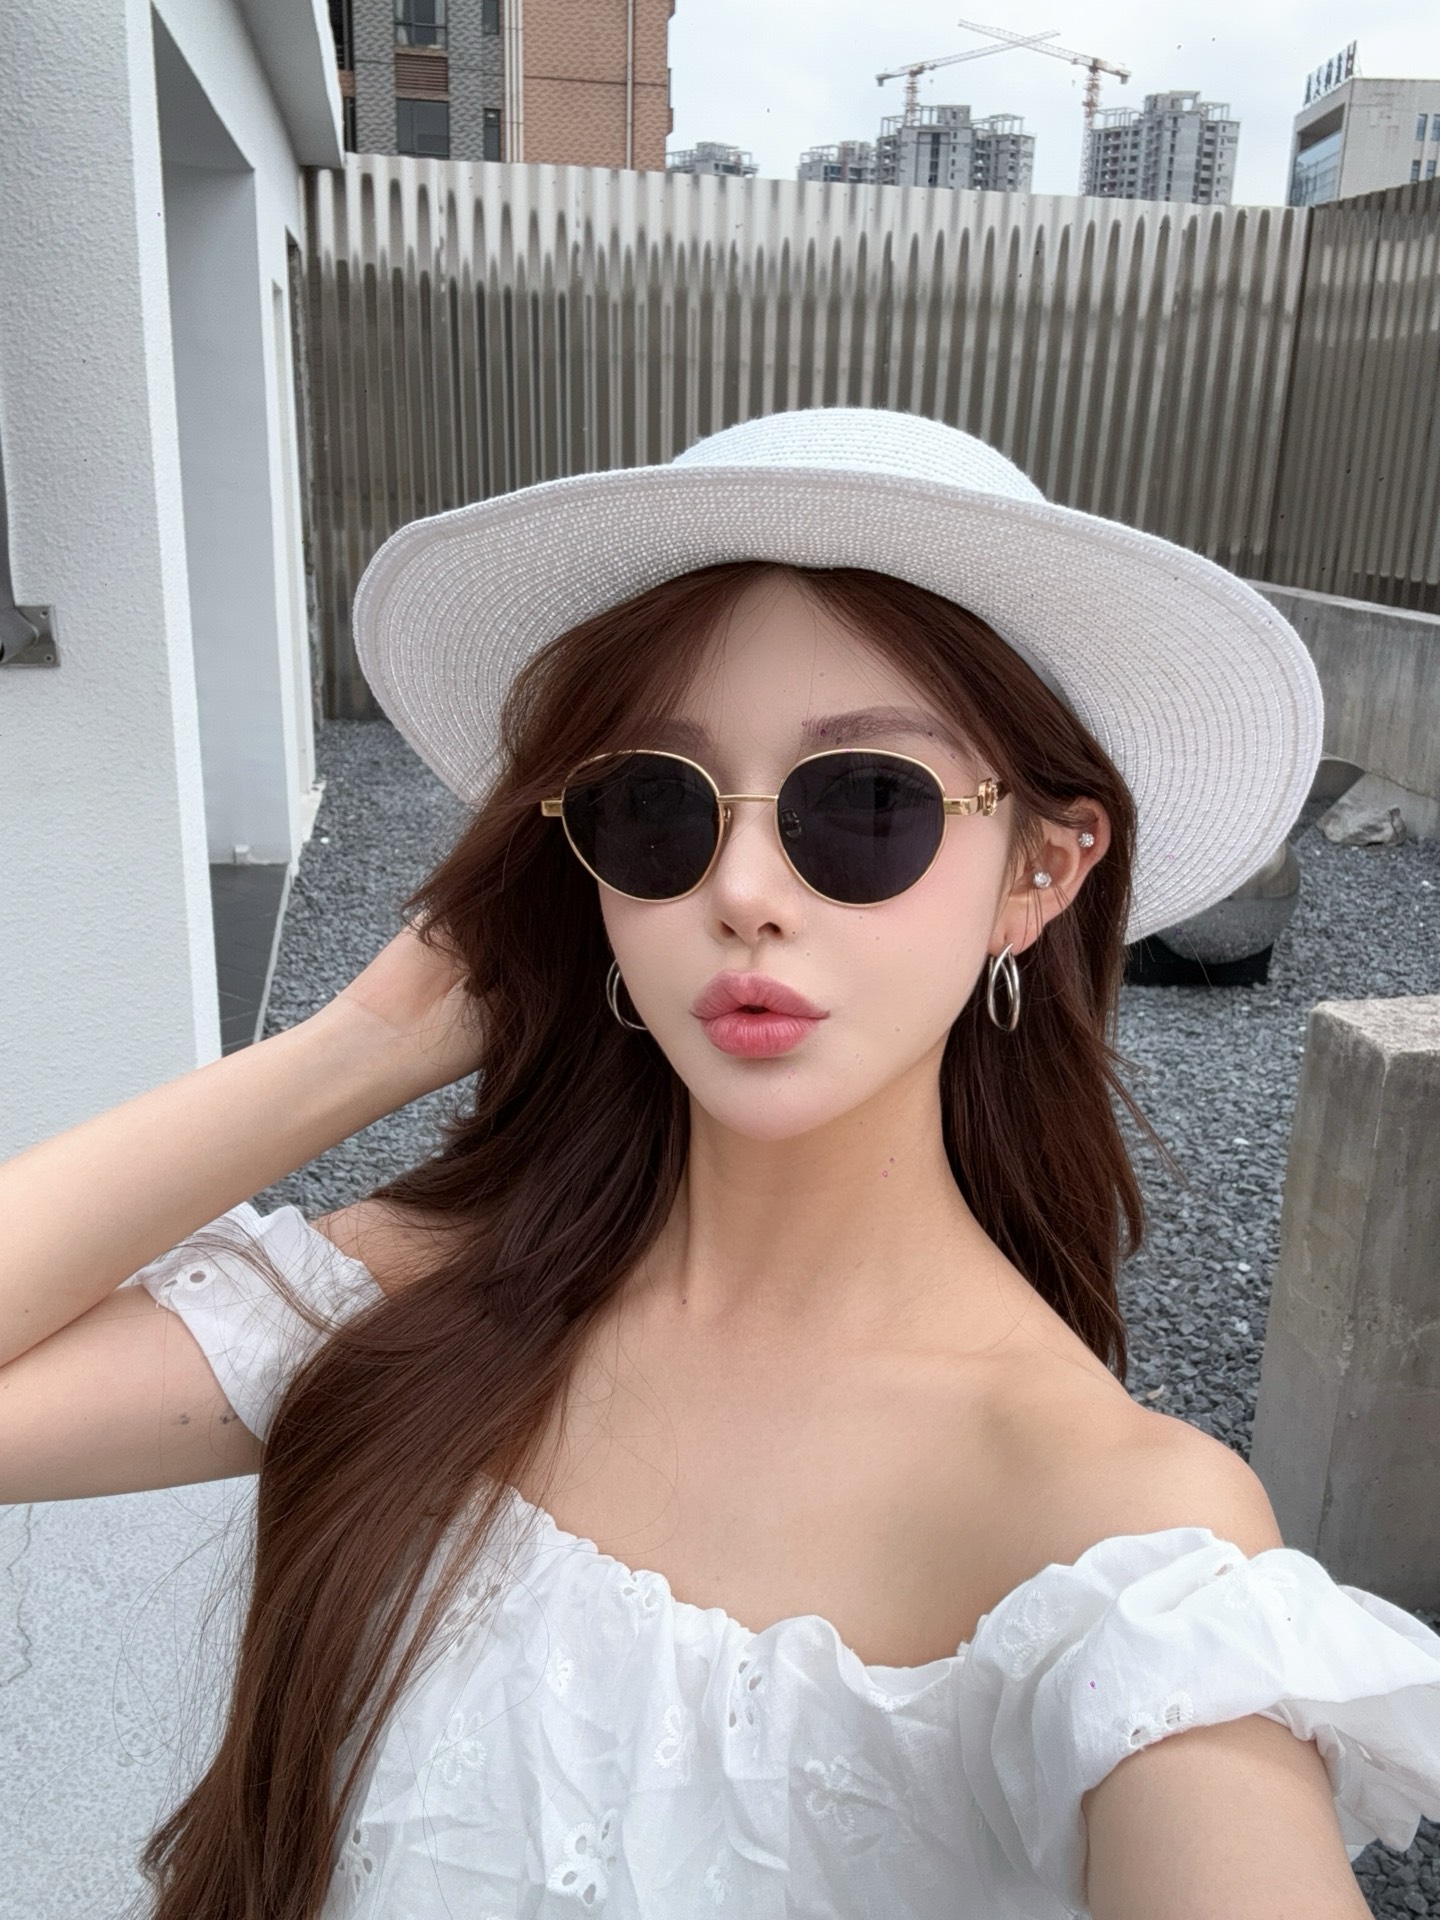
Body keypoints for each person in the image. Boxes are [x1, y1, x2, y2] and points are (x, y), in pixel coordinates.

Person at [3, 406, 1438, 1920]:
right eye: (655, 807)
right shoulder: (427, 1296)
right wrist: (359, 1046)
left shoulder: (1117, 1538)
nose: (743, 887)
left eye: (866, 802)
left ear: (1039, 870)